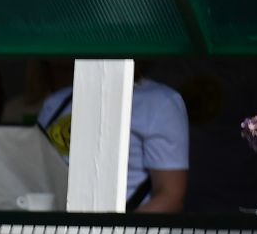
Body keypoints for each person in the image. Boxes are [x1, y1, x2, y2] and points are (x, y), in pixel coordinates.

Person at [38, 64, 189, 212]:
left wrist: (115, 232)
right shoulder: (56, 102)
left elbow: (171, 195)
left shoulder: (158, 102)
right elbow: (36, 176)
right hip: (54, 233)